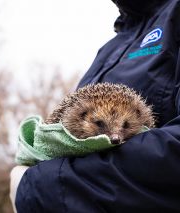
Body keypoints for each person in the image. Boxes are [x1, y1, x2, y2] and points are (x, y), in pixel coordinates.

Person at [10, 0, 180, 212]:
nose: (115, 135)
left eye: (125, 125)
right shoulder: (111, 47)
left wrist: (32, 186)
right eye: (100, 125)